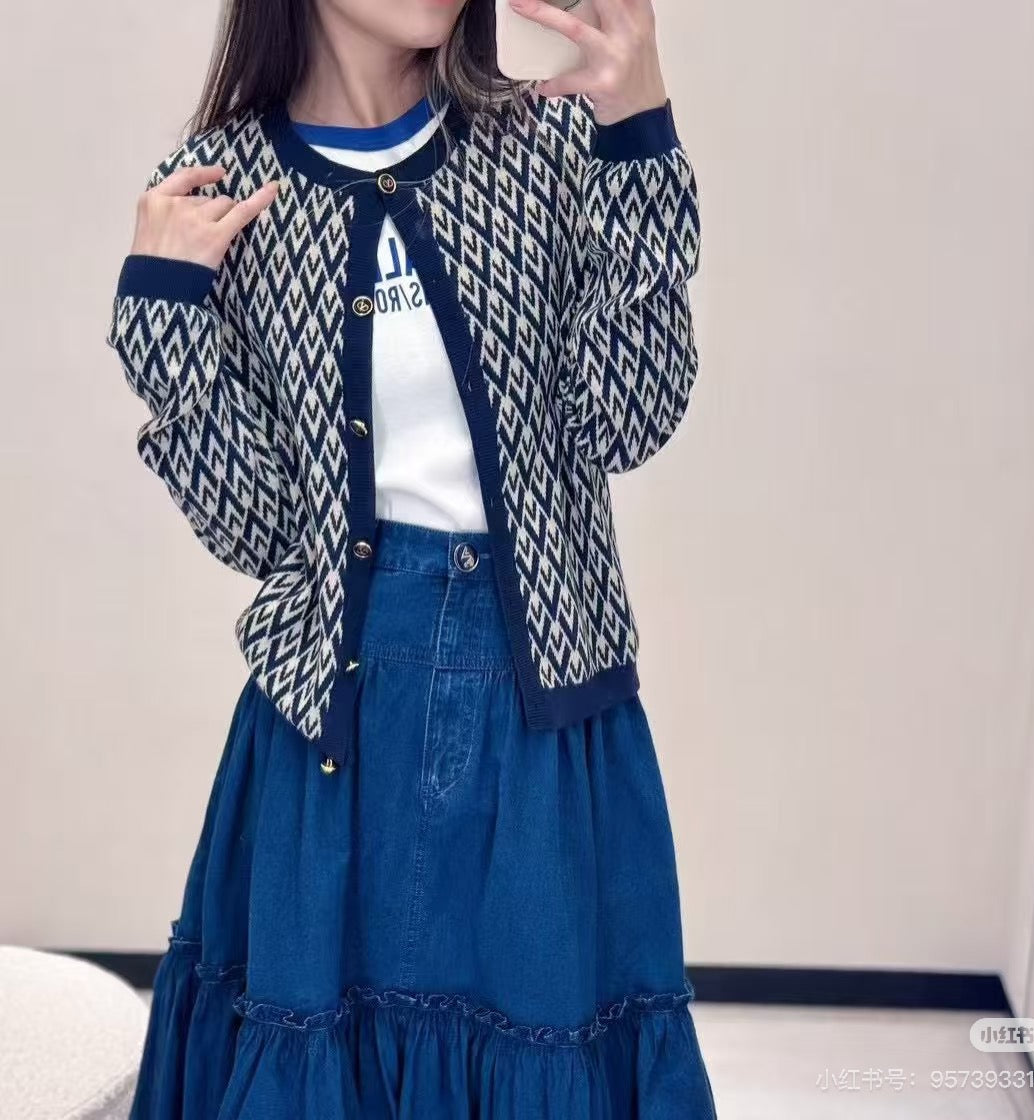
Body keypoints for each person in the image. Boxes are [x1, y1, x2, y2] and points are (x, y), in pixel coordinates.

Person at [105, 0, 715, 1115]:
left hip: (540, 701)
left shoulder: (540, 145)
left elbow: (627, 417)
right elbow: (257, 530)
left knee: (541, 1050)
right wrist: (164, 314)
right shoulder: (223, 188)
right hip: (334, 719)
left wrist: (638, 131)